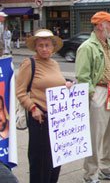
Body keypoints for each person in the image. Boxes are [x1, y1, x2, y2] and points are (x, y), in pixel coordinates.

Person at [75, 11, 110, 183]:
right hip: (98, 91)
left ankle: (108, 169)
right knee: (95, 135)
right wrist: (92, 96)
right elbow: (82, 76)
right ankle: (90, 174)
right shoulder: (87, 47)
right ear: (100, 25)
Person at [16, 29, 73, 183]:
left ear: (53, 47)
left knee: (55, 160)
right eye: (40, 45)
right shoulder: (29, 63)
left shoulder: (54, 64)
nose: (44, 49)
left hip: (58, 118)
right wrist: (32, 109)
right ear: (35, 47)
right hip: (40, 118)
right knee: (40, 161)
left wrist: (67, 84)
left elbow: (57, 82)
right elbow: (20, 92)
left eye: (47, 45)